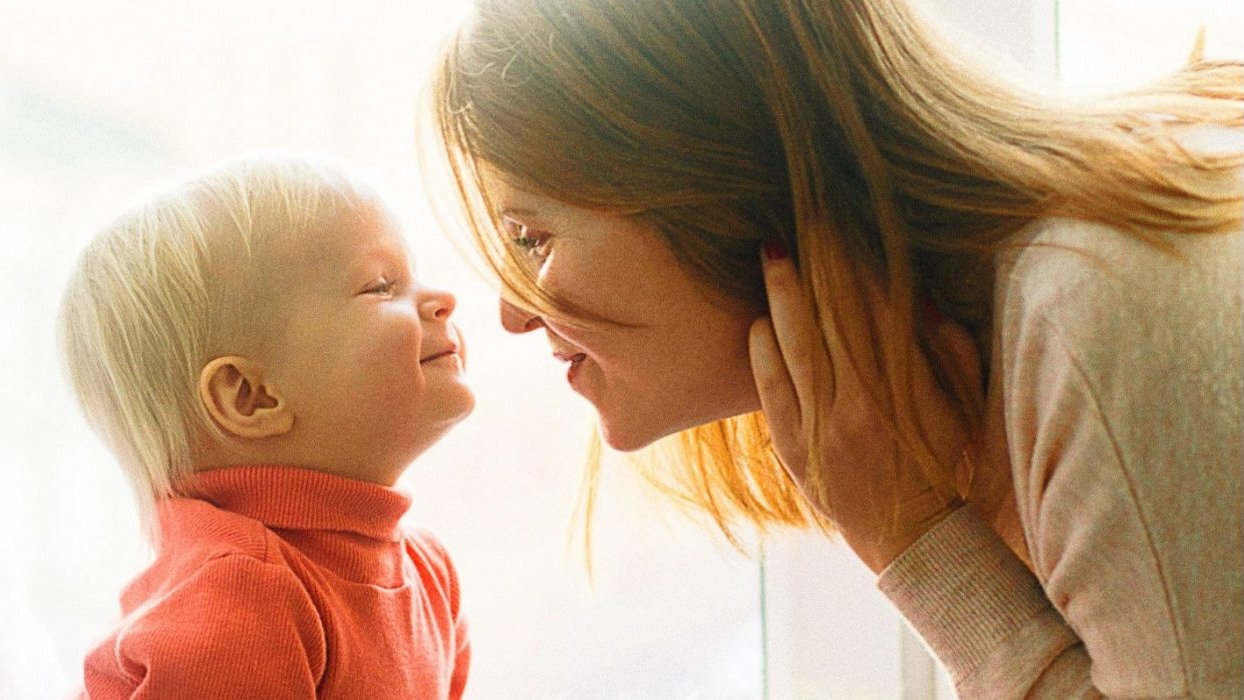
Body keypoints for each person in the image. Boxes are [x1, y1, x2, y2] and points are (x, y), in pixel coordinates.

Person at [423, 0, 1243, 696]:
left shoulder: (1090, 317)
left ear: (715, 179)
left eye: (531, 240)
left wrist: (920, 544)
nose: (512, 316)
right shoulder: (1017, 341)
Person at [59, 153, 474, 698]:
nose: (442, 299)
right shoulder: (240, 597)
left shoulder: (428, 569)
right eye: (380, 285)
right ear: (251, 397)